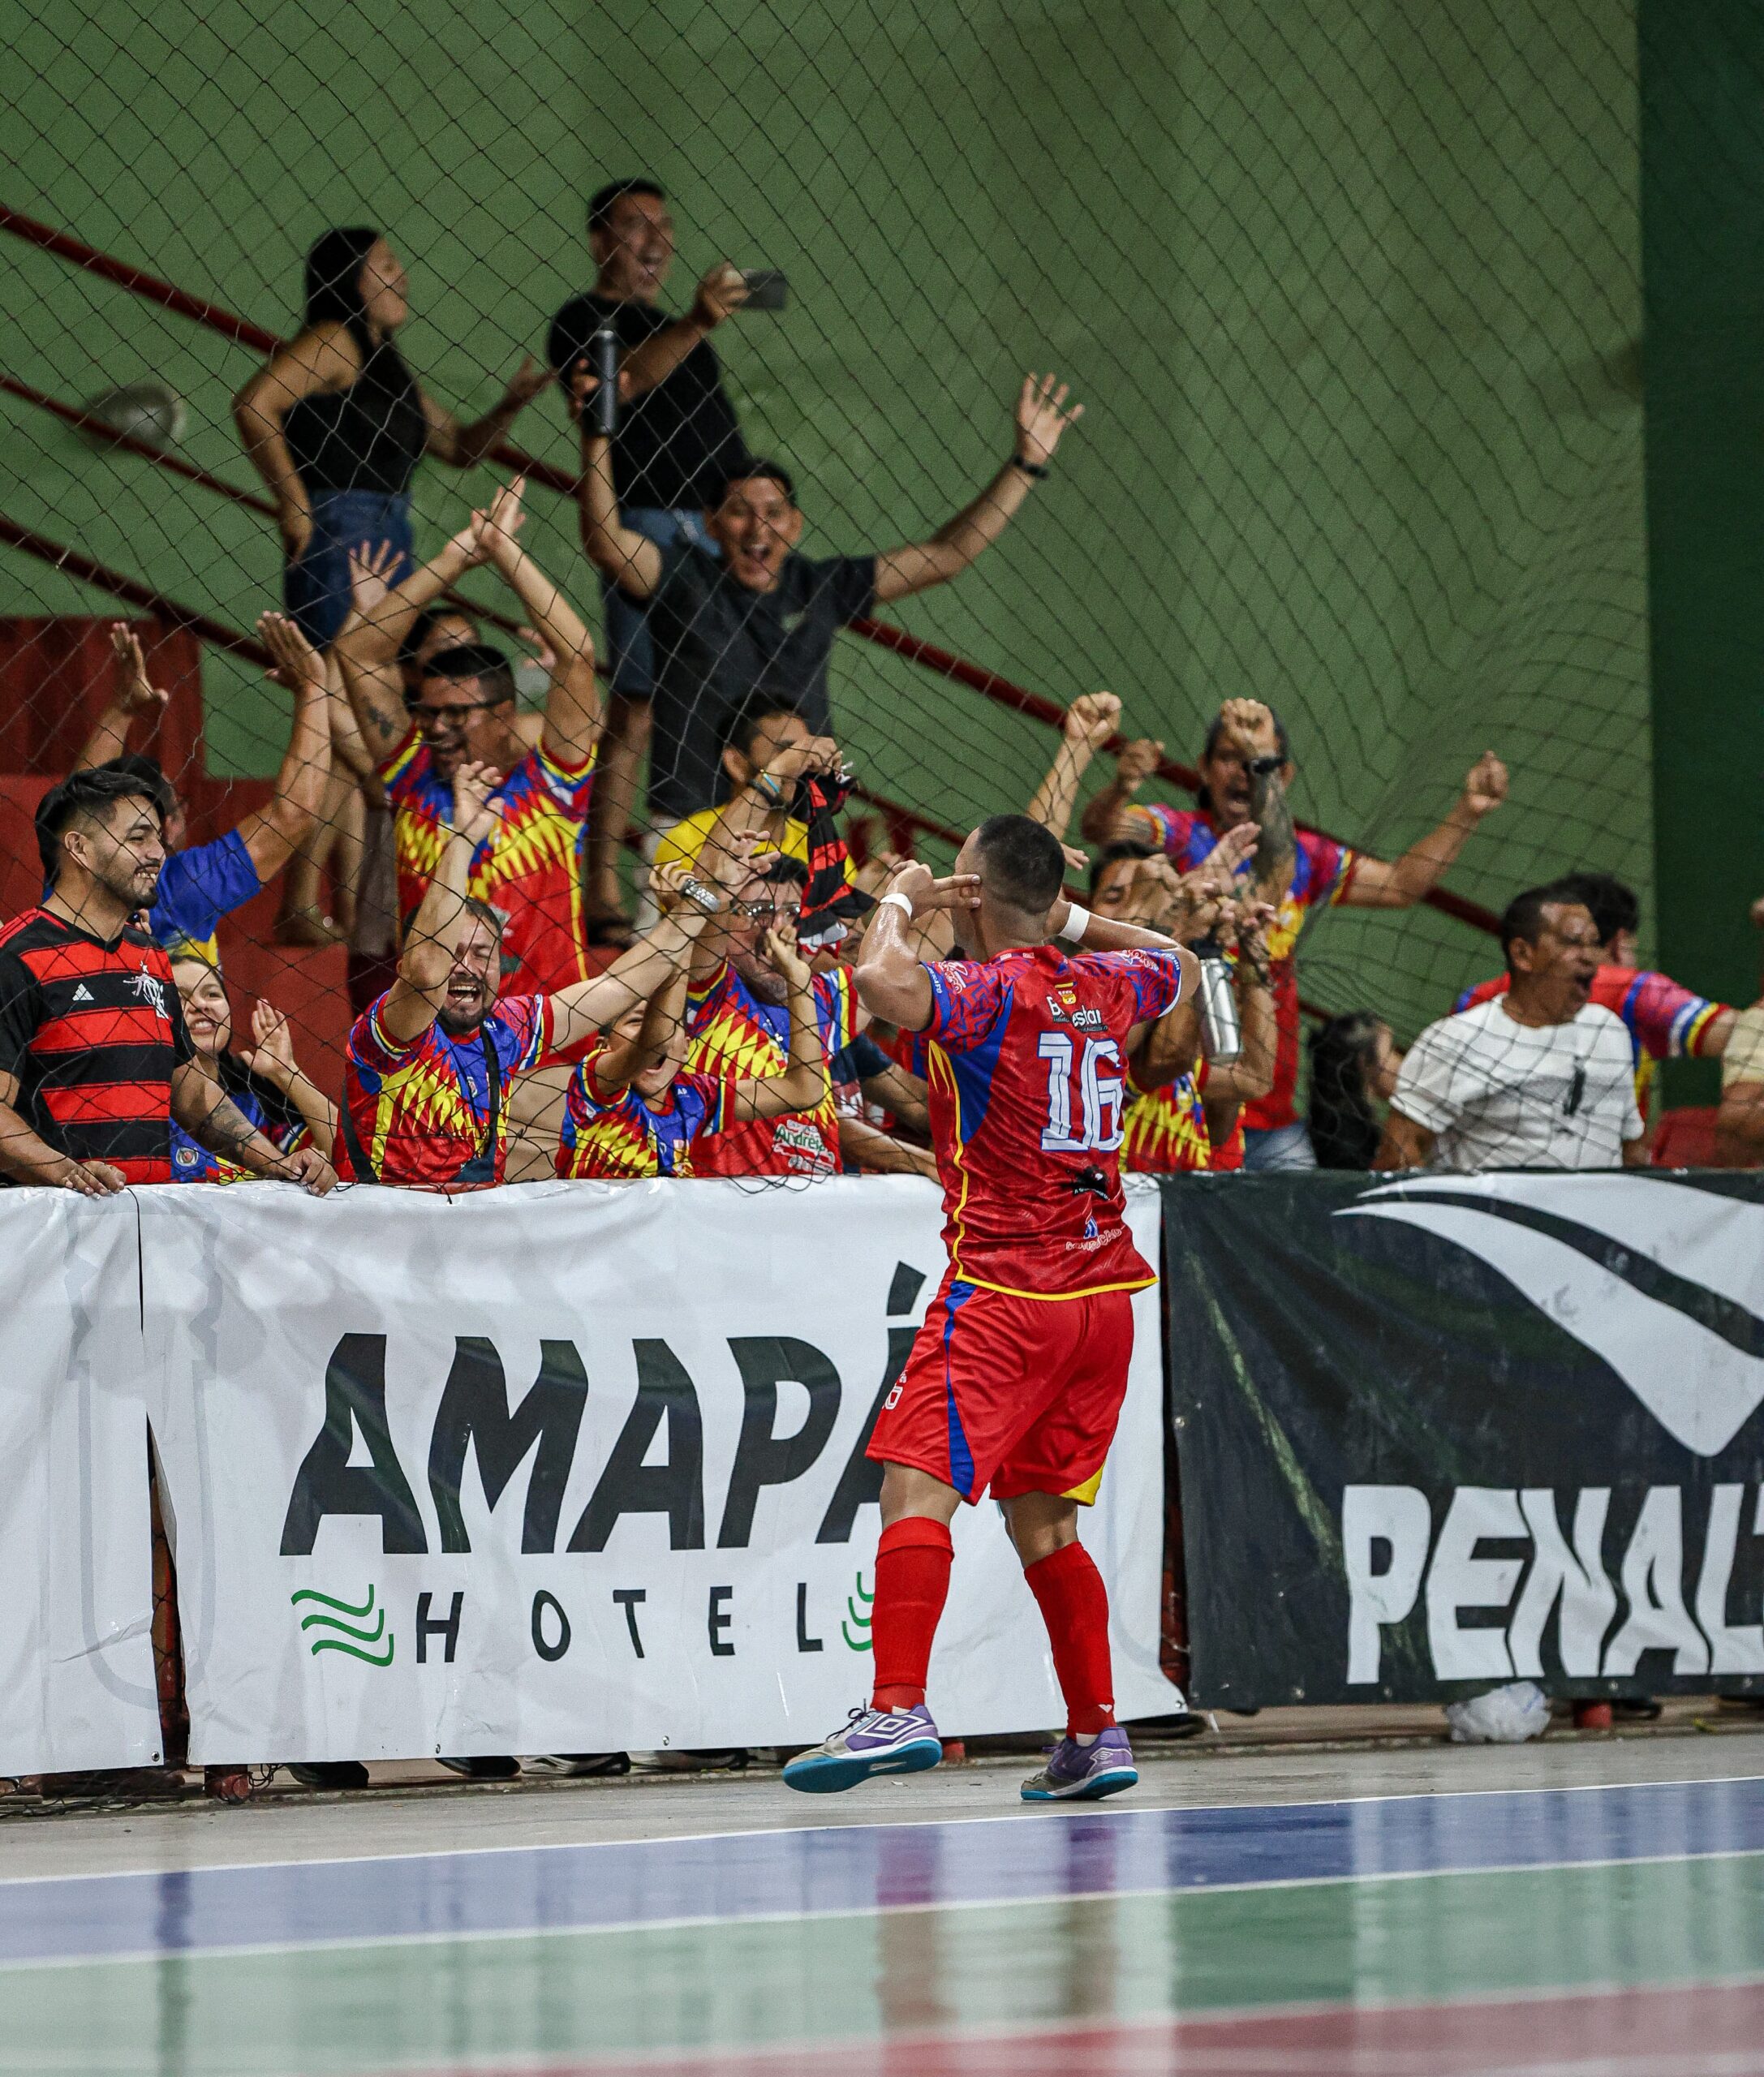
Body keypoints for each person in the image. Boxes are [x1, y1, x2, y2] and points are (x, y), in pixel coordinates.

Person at [783, 815, 1196, 1803]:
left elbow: (878, 981)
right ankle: (1094, 1732)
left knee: (912, 1487)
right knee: (1044, 1524)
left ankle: (896, 1705)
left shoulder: (986, 993)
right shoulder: (1101, 983)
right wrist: (1070, 919)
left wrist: (900, 895)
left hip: (1008, 1291)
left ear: (971, 889)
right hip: (1101, 1301)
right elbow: (1180, 962)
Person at [579, 371, 1085, 844]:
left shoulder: (820, 586)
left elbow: (947, 556)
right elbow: (605, 541)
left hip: (798, 828)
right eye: (739, 512)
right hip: (691, 823)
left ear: (795, 524)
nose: (758, 528)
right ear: (711, 523)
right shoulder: (683, 576)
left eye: (773, 512)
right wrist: (596, 432)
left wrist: (1025, 465)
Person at [1082, 699, 1509, 1171]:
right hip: (1183, 1098)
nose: (1243, 773)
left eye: (1257, 762)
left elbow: (1400, 885)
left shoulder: (1309, 858)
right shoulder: (1178, 835)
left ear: (1282, 776)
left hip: (1270, 1109)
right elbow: (1103, 829)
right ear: (1203, 768)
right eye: (1229, 758)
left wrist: (1468, 812)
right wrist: (1121, 787)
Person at [548, 178, 754, 944]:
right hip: (642, 526)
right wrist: (698, 321)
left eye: (665, 226)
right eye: (636, 225)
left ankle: (713, 876)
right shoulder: (584, 320)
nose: (656, 240)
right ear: (600, 240)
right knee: (636, 705)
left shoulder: (684, 333)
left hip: (711, 537)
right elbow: (622, 381)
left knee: (717, 706)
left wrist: (743, 519)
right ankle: (602, 880)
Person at [341, 766, 707, 1189]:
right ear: (402, 967)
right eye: (453, 952)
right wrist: (462, 842)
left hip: (477, 1219)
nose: (467, 967)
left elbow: (618, 986)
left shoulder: (507, 1026)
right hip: (388, 1217)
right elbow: (427, 970)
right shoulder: (395, 1026)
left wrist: (694, 908)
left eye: (483, 954)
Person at [0, 768, 334, 1193]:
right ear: (79, 848)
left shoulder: (151, 956)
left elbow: (191, 1093)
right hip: (52, 1222)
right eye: (138, 837)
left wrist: (276, 1162)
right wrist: (67, 1173)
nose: (158, 852)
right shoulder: (16, 957)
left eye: (158, 837)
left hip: (148, 1219)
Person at [334, 481, 601, 995]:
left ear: (504, 717)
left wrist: (504, 550)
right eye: (430, 713)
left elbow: (578, 655)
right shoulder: (412, 776)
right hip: (433, 1030)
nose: (437, 728)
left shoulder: (555, 786)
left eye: (457, 715)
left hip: (548, 1032)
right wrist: (452, 559)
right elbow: (357, 654)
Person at [234, 227, 550, 648]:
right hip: (340, 535)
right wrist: (293, 504)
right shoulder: (334, 339)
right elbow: (254, 405)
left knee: (379, 675)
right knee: (341, 672)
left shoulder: (384, 360)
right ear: (350, 280)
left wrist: (508, 407)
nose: (402, 276)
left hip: (393, 536)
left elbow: (459, 448)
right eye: (386, 266)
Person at [75, 618, 333, 962]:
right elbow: (293, 816)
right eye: (178, 804)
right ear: (166, 828)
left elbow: (78, 806)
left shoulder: (72, 873)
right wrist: (313, 689)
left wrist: (119, 712)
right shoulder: (176, 890)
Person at [1376, 882, 1643, 1173]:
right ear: (1522, 954)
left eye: (1594, 943)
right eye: (1572, 942)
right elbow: (1399, 1151)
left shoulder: (1609, 1030)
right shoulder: (1457, 1039)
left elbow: (1631, 1146)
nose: (1589, 956)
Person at [556, 901, 826, 1180]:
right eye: (635, 1021)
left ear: (685, 1047)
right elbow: (657, 1040)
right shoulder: (597, 1083)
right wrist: (685, 922)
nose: (656, 1033)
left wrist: (799, 979)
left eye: (675, 1028)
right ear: (603, 1046)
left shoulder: (694, 1096)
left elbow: (803, 1091)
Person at [1452, 871, 1737, 1125]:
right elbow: (1741, 1034)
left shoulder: (1475, 999)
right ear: (1619, 943)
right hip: (1608, 1164)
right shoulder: (1634, 991)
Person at [682, 855, 858, 1178]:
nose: (776, 927)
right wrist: (719, 886)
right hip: (721, 1198)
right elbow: (706, 919)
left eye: (791, 912)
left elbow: (903, 973)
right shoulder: (709, 989)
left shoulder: (824, 997)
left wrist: (904, 899)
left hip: (822, 1201)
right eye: (758, 911)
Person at [169, 957, 338, 1180]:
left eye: (212, 994)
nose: (201, 1005)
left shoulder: (254, 1095)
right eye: (179, 997)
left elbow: (346, 1155)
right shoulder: (146, 1103)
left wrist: (285, 1072)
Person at [1308, 1013, 1405, 1169]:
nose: (1401, 1061)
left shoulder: (1337, 1125)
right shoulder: (1350, 1144)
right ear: (1363, 1062)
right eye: (1391, 1051)